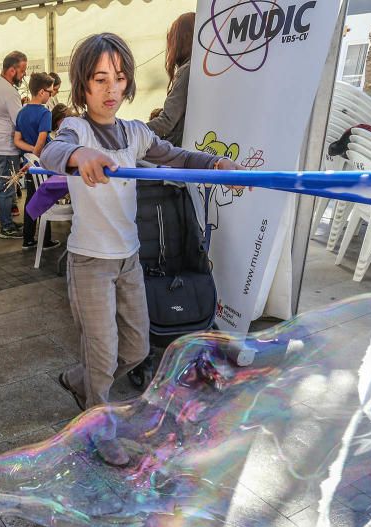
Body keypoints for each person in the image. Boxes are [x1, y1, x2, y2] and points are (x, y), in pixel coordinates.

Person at [40, 33, 239, 432]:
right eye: (99, 79)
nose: (110, 88)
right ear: (83, 84)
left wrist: (214, 163)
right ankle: (97, 426)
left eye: (117, 77)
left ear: (127, 80)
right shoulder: (75, 129)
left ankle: (79, 381)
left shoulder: (135, 133)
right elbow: (50, 152)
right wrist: (81, 156)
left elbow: (176, 156)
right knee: (102, 355)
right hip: (90, 263)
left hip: (129, 261)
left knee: (134, 349)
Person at [14, 72, 59, 251]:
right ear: (41, 92)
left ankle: (28, 238)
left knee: (31, 199)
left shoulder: (22, 112)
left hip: (30, 161)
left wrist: (30, 153)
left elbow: (17, 140)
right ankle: (45, 240)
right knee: (44, 198)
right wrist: (36, 154)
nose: (50, 95)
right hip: (42, 162)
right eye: (49, 91)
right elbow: (41, 142)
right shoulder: (44, 113)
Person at [0, 51, 28, 239]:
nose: (24, 75)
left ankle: (8, 222)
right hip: (4, 147)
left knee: (6, 186)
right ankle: (6, 227)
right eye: (22, 70)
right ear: (12, 70)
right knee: (7, 188)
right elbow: (19, 121)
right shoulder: (9, 91)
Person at [146, 12, 194, 146]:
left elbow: (167, 121)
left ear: (180, 40)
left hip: (179, 151)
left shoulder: (188, 70)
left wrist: (130, 132)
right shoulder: (202, 68)